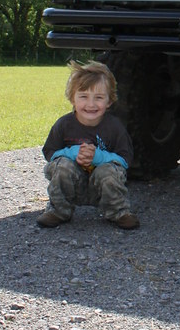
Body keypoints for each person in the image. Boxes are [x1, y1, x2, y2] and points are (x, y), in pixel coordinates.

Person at [38, 60, 139, 230]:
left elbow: (125, 159)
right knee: (61, 166)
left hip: (101, 185)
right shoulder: (63, 124)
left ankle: (118, 212)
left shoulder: (114, 127)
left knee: (109, 170)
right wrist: (73, 153)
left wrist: (98, 157)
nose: (91, 104)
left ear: (109, 101)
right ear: (73, 99)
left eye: (98, 98)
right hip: (73, 182)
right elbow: (49, 152)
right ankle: (58, 210)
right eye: (83, 96)